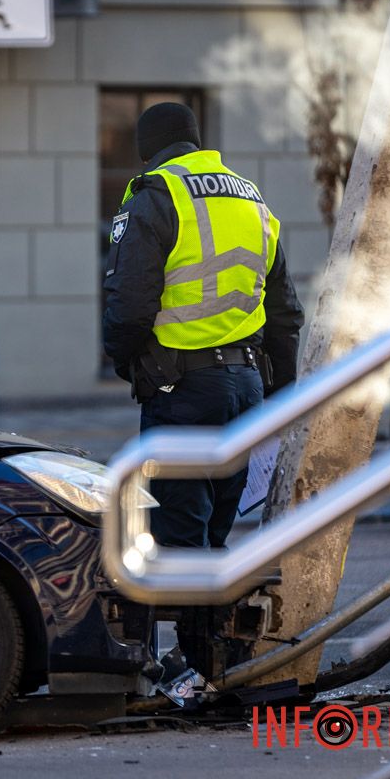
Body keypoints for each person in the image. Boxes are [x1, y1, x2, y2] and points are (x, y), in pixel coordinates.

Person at [102, 102, 304, 551]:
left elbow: (129, 306)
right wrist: (277, 392)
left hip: (181, 391)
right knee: (216, 530)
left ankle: (200, 622)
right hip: (246, 388)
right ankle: (209, 623)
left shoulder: (156, 194)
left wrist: (127, 363)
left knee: (179, 533)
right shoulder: (252, 198)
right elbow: (286, 311)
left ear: (148, 149)